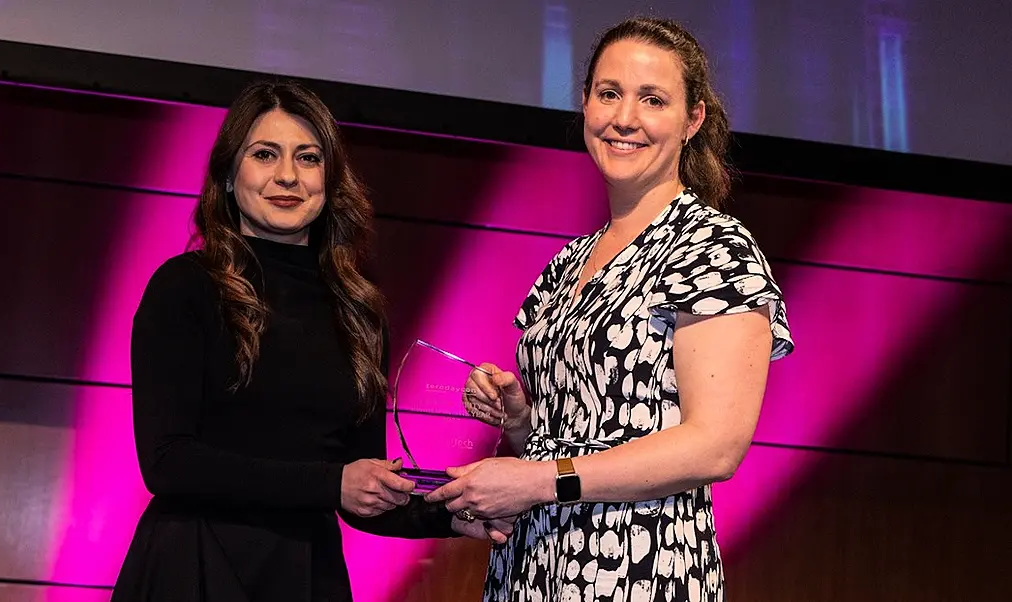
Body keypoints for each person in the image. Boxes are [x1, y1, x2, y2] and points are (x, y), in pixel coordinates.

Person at [425, 17, 795, 602]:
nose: (625, 118)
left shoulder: (714, 249)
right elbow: (560, 444)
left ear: (692, 120)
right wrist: (522, 421)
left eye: (652, 99)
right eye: (609, 93)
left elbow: (715, 446)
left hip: (639, 572)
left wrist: (541, 479)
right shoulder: (568, 264)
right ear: (586, 105)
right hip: (531, 567)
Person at [110, 79, 508, 602]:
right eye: (264, 154)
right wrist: (330, 484)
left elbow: (364, 491)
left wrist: (457, 515)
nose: (287, 176)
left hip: (307, 574)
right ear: (230, 176)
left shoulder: (358, 310)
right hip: (196, 567)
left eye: (308, 157)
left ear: (329, 179)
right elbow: (167, 462)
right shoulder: (186, 286)